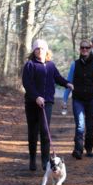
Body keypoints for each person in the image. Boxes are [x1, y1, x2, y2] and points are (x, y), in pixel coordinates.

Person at [22, 39, 73, 171]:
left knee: (45, 131)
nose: (40, 51)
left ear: (46, 50)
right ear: (34, 51)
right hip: (32, 102)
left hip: (47, 102)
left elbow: (57, 77)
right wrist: (36, 97)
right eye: (37, 48)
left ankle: (45, 161)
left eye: (42, 48)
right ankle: (32, 159)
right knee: (33, 132)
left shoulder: (50, 65)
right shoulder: (30, 65)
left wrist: (67, 83)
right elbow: (27, 83)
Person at [63, 39, 93, 159]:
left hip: (91, 100)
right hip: (78, 99)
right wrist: (65, 99)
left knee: (89, 125)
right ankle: (78, 149)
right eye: (82, 48)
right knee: (80, 125)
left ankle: (89, 148)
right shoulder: (74, 64)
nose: (85, 49)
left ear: (90, 49)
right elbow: (69, 82)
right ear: (80, 49)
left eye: (87, 48)